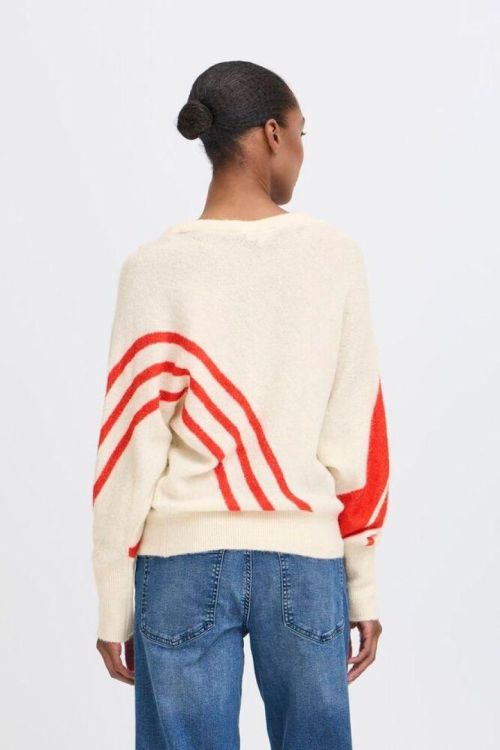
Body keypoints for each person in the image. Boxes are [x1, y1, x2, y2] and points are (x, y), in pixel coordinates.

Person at [91, 60, 390, 750]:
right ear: (272, 134)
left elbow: (129, 446)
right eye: (302, 133)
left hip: (179, 562)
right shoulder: (334, 257)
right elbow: (358, 431)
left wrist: (112, 601)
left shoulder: (153, 269)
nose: (303, 151)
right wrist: (363, 585)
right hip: (305, 558)